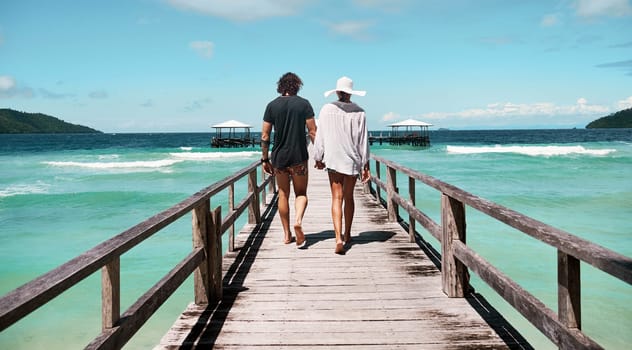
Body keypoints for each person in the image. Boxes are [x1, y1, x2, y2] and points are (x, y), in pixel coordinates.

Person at [313, 76, 370, 255]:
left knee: (336, 198)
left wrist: (318, 156)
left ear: (337, 91)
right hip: (351, 159)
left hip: (333, 159)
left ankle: (338, 238)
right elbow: (363, 141)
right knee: (349, 197)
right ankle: (347, 234)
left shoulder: (326, 109)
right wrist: (365, 164)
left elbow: (320, 135)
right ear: (351, 92)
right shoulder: (360, 112)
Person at [261, 72, 317, 248]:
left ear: (281, 86)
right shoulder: (304, 104)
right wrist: (321, 154)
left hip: (279, 158)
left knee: (283, 194)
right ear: (297, 86)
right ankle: (298, 221)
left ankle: (287, 235)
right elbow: (313, 131)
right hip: (299, 156)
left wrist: (264, 159)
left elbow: (265, 135)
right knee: (301, 193)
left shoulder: (271, 106)